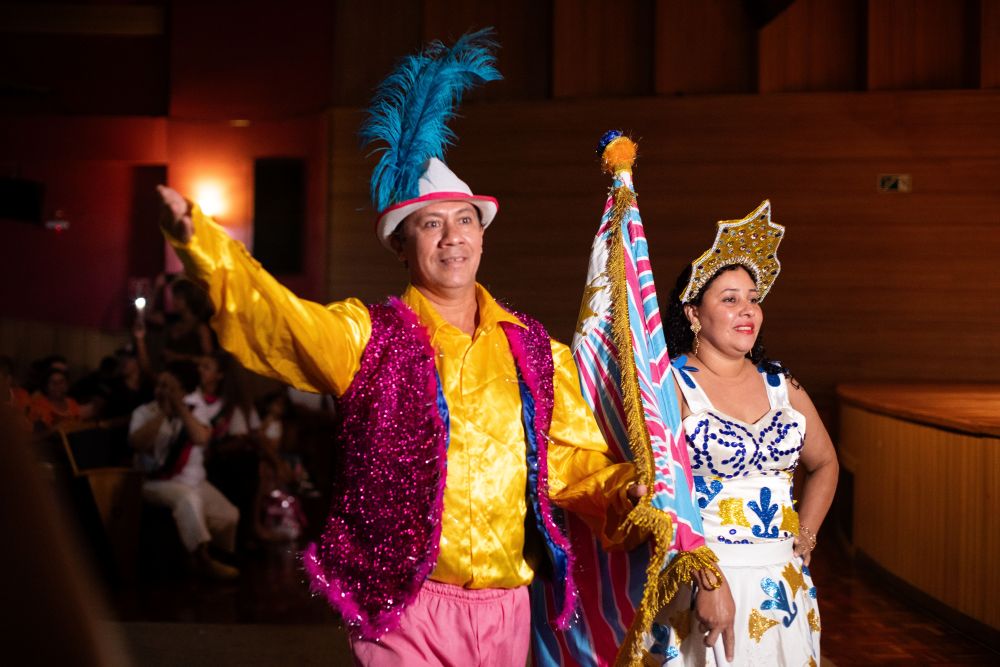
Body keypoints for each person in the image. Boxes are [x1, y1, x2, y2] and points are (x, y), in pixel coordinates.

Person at [156, 31, 648, 666]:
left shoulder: (532, 349)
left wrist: (624, 490)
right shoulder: (368, 336)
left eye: (465, 220)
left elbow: (569, 465)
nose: (452, 237)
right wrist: (206, 245)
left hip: (507, 609)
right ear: (401, 244)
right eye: (431, 224)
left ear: (483, 234)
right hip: (403, 609)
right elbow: (281, 322)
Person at [648, 201, 839, 665]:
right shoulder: (671, 387)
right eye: (729, 299)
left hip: (783, 588)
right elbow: (658, 493)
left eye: (753, 298)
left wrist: (806, 536)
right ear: (694, 313)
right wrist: (706, 582)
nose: (747, 310)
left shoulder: (782, 385)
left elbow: (825, 463)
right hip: (705, 583)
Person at [128, 368, 240, 580]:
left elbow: (201, 438)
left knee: (229, 514)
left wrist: (179, 408)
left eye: (170, 387)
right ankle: (203, 560)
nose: (163, 391)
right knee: (188, 499)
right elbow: (137, 443)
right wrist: (163, 414)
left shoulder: (194, 410)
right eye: (160, 385)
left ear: (182, 391)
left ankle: (218, 555)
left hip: (192, 481)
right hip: (154, 482)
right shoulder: (144, 412)